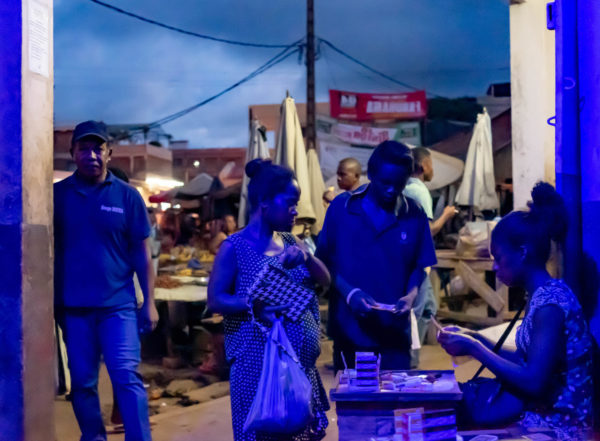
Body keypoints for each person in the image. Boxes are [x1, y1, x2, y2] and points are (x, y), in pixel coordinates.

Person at [437, 183, 593, 440]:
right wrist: (475, 338)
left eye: (499, 258)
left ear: (522, 253)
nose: (495, 267)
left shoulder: (550, 305)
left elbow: (533, 381)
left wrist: (475, 350)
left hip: (560, 426)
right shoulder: (541, 295)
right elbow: (529, 361)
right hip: (542, 416)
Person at [208, 159, 331, 441]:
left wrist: (308, 258)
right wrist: (253, 305)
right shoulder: (234, 248)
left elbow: (326, 281)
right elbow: (216, 300)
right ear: (264, 201)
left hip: (300, 369)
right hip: (257, 370)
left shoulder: (291, 242)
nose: (295, 211)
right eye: (290, 203)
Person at [54, 120, 158, 441]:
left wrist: (150, 304)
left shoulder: (128, 197)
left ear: (109, 153)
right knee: (83, 384)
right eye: (83, 148)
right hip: (73, 310)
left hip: (118, 308)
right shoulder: (55, 196)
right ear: (73, 153)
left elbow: (142, 254)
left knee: (126, 377)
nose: (91, 155)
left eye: (97, 148)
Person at [316, 141, 437, 371]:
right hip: (349, 331)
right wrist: (350, 294)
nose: (392, 190)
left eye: (399, 183)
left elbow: (419, 265)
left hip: (395, 334)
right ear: (370, 174)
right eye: (385, 183)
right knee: (355, 402)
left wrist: (411, 295)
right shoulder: (341, 209)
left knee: (396, 401)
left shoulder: (414, 213)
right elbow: (324, 262)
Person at [402, 147, 456, 367]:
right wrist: (447, 214)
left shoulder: (406, 188)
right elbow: (428, 230)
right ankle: (409, 361)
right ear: (424, 166)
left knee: (428, 308)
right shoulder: (419, 190)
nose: (433, 168)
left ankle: (411, 354)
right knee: (416, 312)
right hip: (417, 262)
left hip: (412, 260)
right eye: (431, 163)